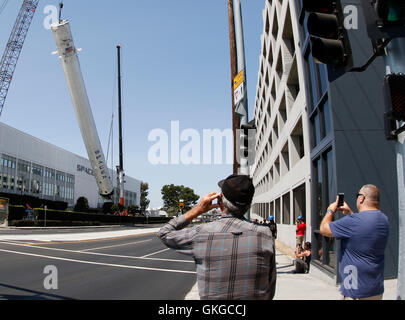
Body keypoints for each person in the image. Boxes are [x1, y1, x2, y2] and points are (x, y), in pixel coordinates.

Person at [158, 174, 277, 300]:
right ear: (249, 204)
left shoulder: (201, 233)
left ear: (221, 202)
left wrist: (197, 210)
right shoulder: (265, 234)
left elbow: (164, 233)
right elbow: (270, 287)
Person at [320, 184, 389, 300]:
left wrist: (330, 210)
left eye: (358, 196)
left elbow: (324, 229)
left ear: (361, 198)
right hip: (375, 288)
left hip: (355, 290)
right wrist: (350, 213)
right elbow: (363, 227)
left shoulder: (352, 222)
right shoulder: (383, 219)